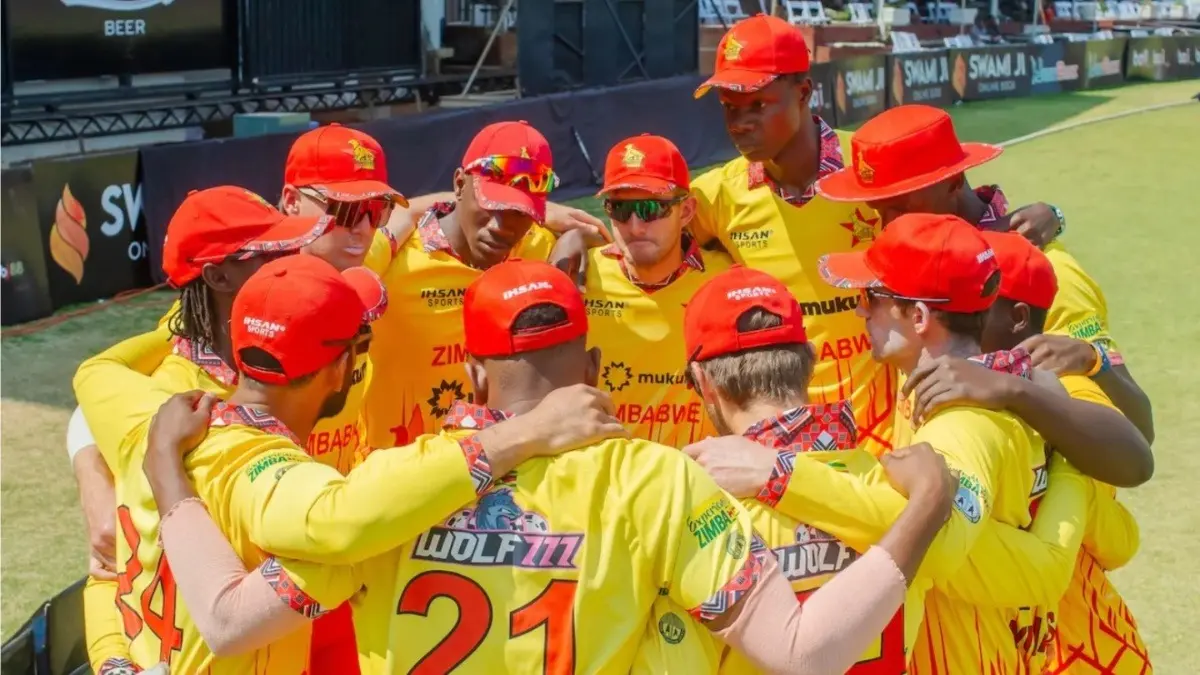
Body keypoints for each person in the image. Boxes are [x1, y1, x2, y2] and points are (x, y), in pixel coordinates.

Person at [142, 258, 958, 675]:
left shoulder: (399, 486)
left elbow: (226, 620)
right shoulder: (658, 477)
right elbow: (801, 649)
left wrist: (169, 478)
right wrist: (924, 508)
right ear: (595, 366)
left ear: (469, 375)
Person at [73, 254, 623, 674]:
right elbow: (335, 526)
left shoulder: (146, 416)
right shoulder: (313, 506)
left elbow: (95, 370)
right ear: (342, 368)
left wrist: (112, 659)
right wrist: (527, 431)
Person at [811, 212, 1072, 672]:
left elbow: (940, 536)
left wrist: (780, 478)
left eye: (871, 296)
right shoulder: (948, 383)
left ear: (919, 316)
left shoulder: (962, 420)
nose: (858, 309)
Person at [816, 103, 1154, 449]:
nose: (887, 225)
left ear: (952, 182)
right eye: (878, 211)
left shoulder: (1043, 270)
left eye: (900, 207)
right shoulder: (906, 256)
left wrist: (1090, 363)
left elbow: (1130, 433)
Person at [902, 232, 1152, 674]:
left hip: (1078, 643)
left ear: (1017, 317)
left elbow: (1135, 460)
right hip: (1001, 640)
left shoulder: (1056, 384)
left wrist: (1016, 388)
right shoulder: (945, 380)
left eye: (979, 300)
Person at [364, 120, 593, 449]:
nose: (502, 226)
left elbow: (621, 244)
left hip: (503, 479)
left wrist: (575, 234)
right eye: (491, 204)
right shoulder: (393, 258)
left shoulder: (541, 251)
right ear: (459, 184)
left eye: (518, 211)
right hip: (399, 477)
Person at [573, 133, 733, 446]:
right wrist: (553, 216)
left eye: (651, 208)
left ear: (686, 212)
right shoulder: (580, 276)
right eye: (620, 209)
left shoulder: (726, 280)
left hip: (699, 480)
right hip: (608, 480)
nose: (635, 226)